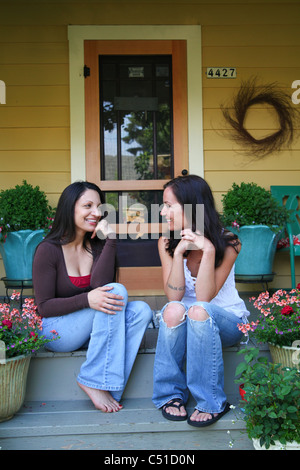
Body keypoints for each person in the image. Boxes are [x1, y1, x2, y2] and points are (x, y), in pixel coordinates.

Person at [33, 181, 152, 413]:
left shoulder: (96, 246)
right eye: (88, 205)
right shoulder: (48, 250)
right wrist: (86, 300)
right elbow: (44, 307)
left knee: (142, 311)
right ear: (70, 208)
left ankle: (110, 388)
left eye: (99, 206)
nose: (96, 213)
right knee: (117, 292)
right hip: (57, 331)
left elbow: (100, 286)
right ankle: (93, 380)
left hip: (91, 329)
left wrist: (111, 241)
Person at [152, 175, 249, 426]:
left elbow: (206, 298)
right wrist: (179, 252)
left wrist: (207, 250)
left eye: (168, 205)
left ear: (191, 206)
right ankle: (170, 394)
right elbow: (174, 295)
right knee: (172, 310)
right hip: (188, 317)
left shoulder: (228, 241)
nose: (163, 212)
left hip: (226, 321)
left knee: (198, 310)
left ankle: (212, 402)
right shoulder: (166, 242)